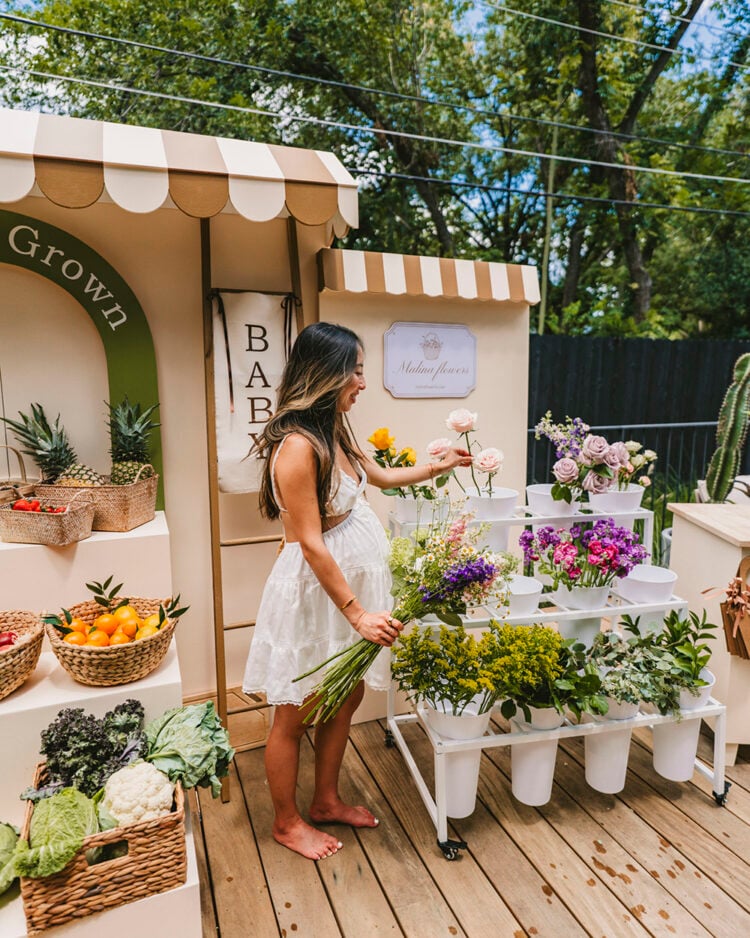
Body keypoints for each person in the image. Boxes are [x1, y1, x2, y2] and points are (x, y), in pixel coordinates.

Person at [242, 321, 472, 861]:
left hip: (352, 591)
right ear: (326, 375)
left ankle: (324, 800)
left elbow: (379, 478)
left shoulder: (336, 428)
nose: (362, 383)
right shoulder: (298, 447)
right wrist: (358, 613)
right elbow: (312, 545)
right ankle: (286, 821)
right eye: (357, 371)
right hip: (319, 595)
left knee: (346, 698)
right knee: (295, 711)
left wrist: (433, 468)